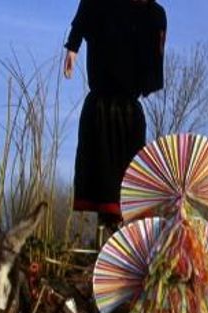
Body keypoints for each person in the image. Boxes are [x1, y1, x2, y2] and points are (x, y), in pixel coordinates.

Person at [62, 0, 167, 229]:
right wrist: (73, 46)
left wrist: (149, 79)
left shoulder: (153, 14)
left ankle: (122, 228)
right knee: (102, 183)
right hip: (101, 105)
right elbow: (85, 14)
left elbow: (153, 65)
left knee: (128, 184)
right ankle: (108, 228)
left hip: (129, 110)